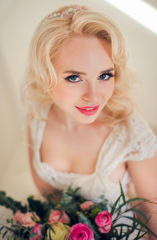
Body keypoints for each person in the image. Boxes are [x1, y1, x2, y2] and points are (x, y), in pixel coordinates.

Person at [21, 5, 157, 239]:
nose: (94, 96)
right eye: (74, 77)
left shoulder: (130, 132)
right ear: (45, 76)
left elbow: (152, 212)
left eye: (105, 75)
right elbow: (50, 199)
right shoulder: (37, 120)